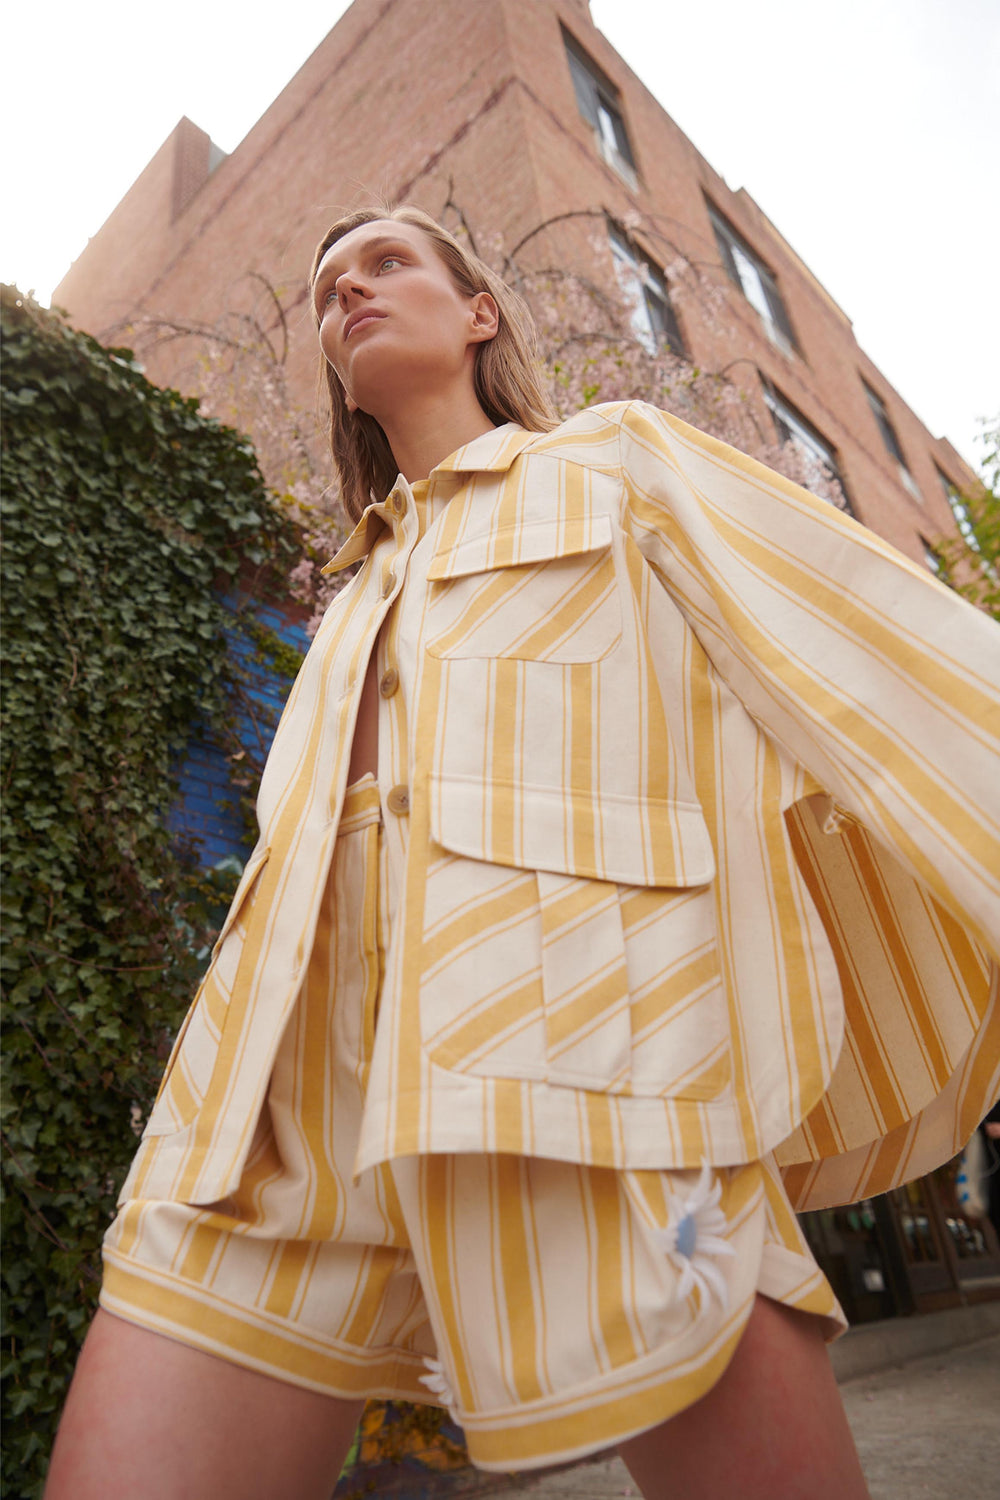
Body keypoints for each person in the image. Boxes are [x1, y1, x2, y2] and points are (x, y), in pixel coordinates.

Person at [46, 206, 999, 1500]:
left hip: (591, 1058)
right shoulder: (348, 601)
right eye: (327, 289)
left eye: (388, 263)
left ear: (479, 313)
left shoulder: (620, 464)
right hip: (266, 1108)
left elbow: (886, 659)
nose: (349, 292)